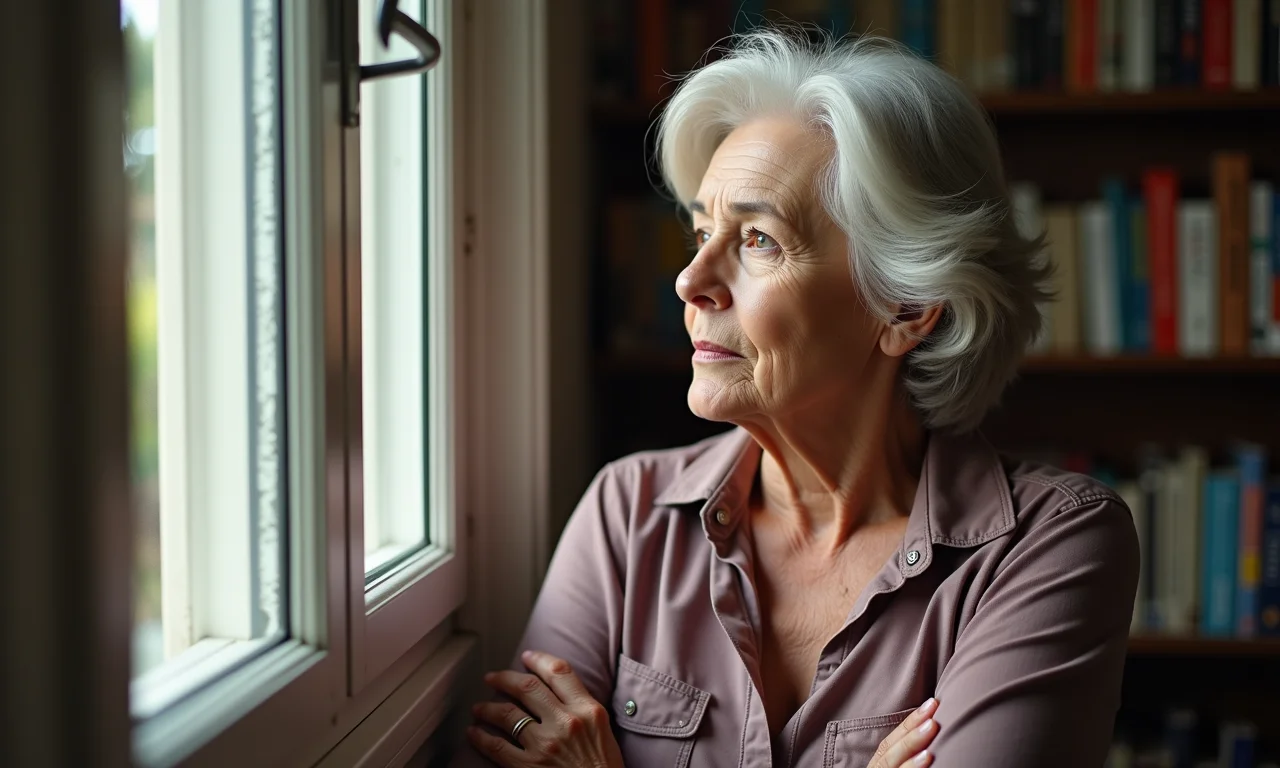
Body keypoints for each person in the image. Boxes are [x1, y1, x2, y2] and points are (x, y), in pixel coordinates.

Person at [464, 28, 1139, 768]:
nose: (690, 281)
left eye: (757, 240)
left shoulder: (1049, 546)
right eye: (700, 232)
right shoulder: (627, 517)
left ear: (906, 307)